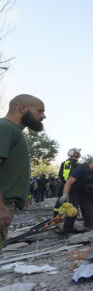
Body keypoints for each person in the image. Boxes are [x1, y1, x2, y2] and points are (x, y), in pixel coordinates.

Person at [0, 94, 46, 250]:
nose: (43, 116)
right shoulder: (6, 128)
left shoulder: (13, 130)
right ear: (22, 109)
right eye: (39, 111)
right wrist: (1, 206)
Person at [58, 156, 93, 233]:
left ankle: (90, 230)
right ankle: (68, 231)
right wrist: (65, 194)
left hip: (87, 193)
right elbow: (69, 182)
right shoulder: (81, 169)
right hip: (75, 191)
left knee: (90, 213)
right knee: (72, 212)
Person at [53, 148, 81, 217]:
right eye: (77, 153)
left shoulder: (77, 164)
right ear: (72, 153)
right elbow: (60, 175)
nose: (78, 154)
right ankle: (58, 215)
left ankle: (71, 215)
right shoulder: (68, 163)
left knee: (70, 201)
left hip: (69, 185)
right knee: (63, 200)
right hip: (67, 184)